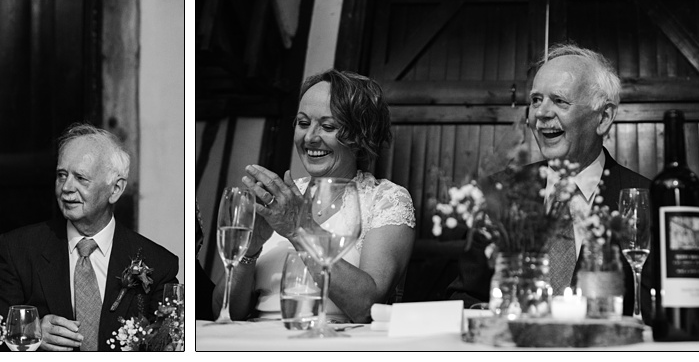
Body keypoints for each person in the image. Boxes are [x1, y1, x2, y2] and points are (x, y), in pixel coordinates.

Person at [446, 43, 649, 311]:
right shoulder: (499, 193)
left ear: (603, 118)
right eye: (536, 100)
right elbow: (465, 296)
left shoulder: (648, 198)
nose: (541, 114)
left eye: (560, 101)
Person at [214, 69, 414, 324]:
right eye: (303, 123)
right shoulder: (279, 199)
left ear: (359, 134)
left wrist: (299, 227)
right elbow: (225, 314)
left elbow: (367, 307)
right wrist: (248, 253)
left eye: (328, 126)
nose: (310, 138)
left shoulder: (386, 200)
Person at [0, 123, 180, 351]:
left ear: (115, 189)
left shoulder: (159, 264)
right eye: (62, 175)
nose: (66, 188)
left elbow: (168, 346)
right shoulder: (18, 249)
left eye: (81, 178)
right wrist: (31, 333)